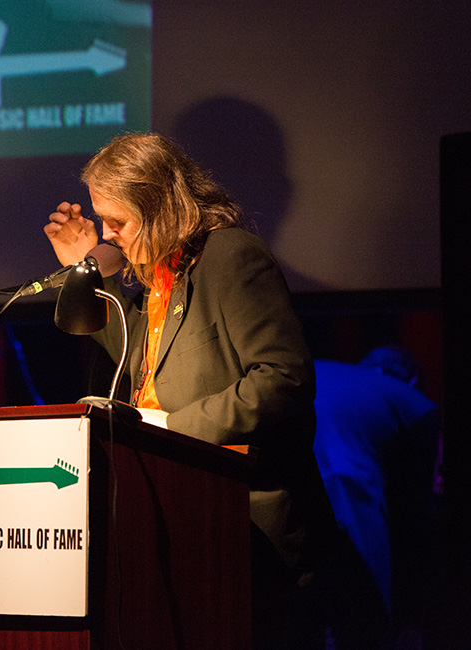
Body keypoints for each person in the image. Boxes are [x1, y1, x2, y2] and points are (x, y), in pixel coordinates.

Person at [44, 132, 332, 649]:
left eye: (117, 222)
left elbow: (283, 377)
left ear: (157, 206)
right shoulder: (163, 277)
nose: (108, 236)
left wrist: (170, 428)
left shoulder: (230, 256)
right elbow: (135, 356)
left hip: (244, 529)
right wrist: (79, 270)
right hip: (174, 518)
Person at [312, 346, 440, 650]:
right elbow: (419, 515)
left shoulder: (318, 370)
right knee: (364, 625)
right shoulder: (415, 402)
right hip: (351, 504)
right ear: (412, 382)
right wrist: (413, 617)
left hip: (277, 501)